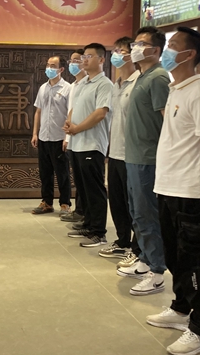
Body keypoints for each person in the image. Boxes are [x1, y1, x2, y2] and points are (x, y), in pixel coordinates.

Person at [146, 28, 200, 355]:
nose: (166, 50)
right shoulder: (176, 89)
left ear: (189, 54)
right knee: (176, 256)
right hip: (168, 186)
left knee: (196, 263)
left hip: (192, 192)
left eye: (173, 46)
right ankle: (180, 308)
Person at [117, 27, 170, 296]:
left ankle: (157, 272)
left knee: (147, 214)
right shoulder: (142, 76)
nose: (135, 48)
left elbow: (167, 120)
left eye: (141, 44)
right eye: (135, 43)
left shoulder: (159, 77)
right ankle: (145, 260)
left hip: (149, 158)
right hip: (133, 156)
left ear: (156, 50)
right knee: (137, 212)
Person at [64, 44, 114, 248]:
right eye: (83, 56)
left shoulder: (104, 84)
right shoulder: (83, 83)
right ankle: (88, 224)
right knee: (83, 188)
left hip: (92, 144)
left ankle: (99, 232)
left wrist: (77, 128)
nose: (84, 60)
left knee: (94, 189)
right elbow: (74, 108)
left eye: (89, 56)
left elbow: (100, 113)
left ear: (101, 60)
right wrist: (69, 123)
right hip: (76, 143)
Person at [99, 37, 143, 259]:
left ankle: (138, 248)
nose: (116, 54)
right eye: (115, 50)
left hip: (131, 154)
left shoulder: (138, 82)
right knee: (116, 202)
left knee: (133, 204)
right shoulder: (115, 85)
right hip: (114, 152)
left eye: (121, 51)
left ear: (132, 55)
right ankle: (122, 241)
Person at [31, 56, 72, 216]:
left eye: (53, 65)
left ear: (61, 69)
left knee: (62, 174)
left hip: (59, 138)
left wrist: (67, 137)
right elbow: (38, 111)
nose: (49, 68)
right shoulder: (43, 88)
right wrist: (35, 133)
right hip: (44, 137)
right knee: (45, 173)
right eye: (48, 65)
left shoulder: (68, 88)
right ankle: (47, 202)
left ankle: (65, 203)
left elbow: (71, 114)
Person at [61, 49, 87, 224]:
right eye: (71, 61)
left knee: (87, 183)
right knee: (78, 180)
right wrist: (67, 136)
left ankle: (86, 215)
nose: (73, 64)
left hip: (86, 139)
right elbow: (72, 111)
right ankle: (79, 211)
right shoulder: (74, 85)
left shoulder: (88, 84)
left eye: (77, 60)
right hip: (73, 138)